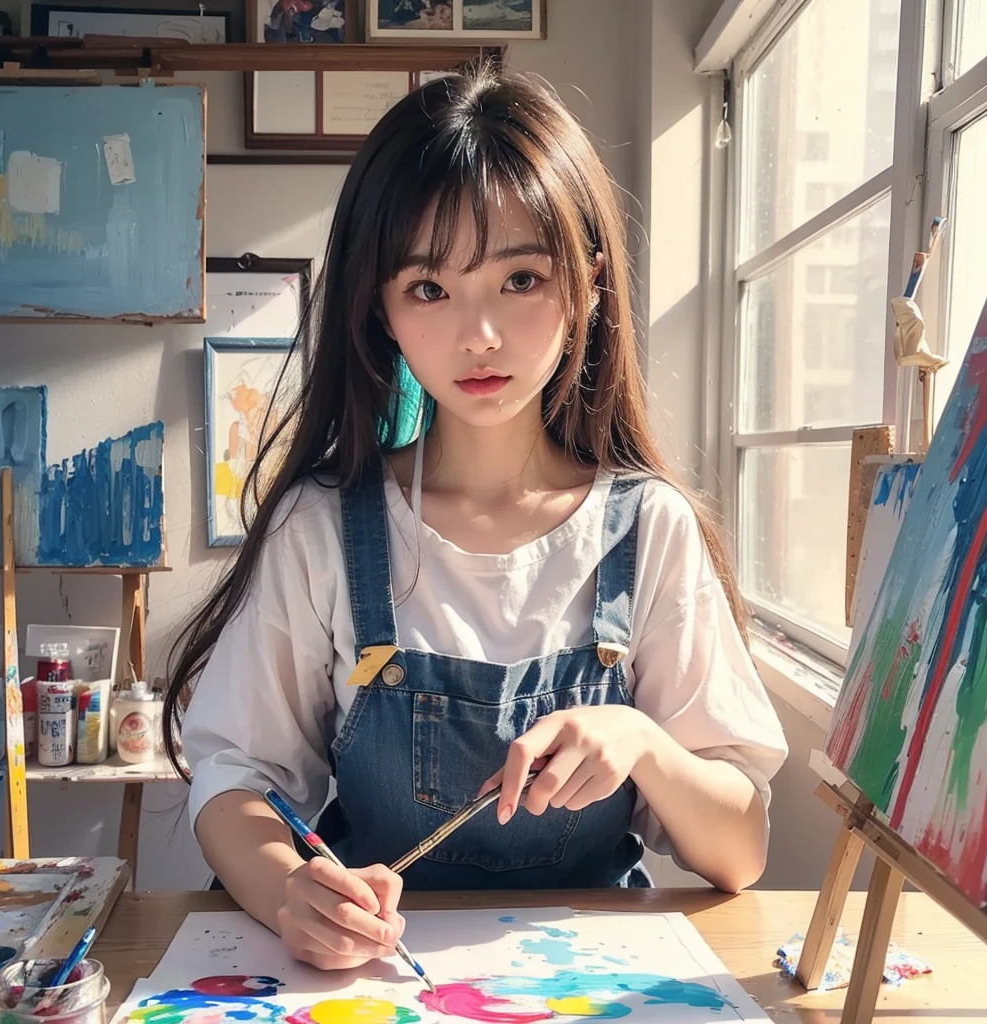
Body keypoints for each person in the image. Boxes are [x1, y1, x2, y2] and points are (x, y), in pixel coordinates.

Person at [164, 61, 788, 973]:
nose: (479, 334)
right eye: (428, 289)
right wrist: (288, 891)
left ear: (587, 284)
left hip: (594, 986)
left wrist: (643, 743)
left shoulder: (649, 528)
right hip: (375, 983)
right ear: (378, 309)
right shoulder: (323, 527)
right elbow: (234, 781)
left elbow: (740, 851)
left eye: (521, 278)